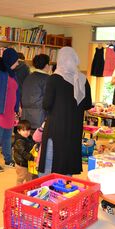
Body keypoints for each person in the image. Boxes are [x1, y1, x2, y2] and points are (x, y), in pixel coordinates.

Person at [38, 47, 92, 176]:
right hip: (74, 129)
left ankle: (45, 192)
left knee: (50, 164)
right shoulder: (82, 80)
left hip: (56, 128)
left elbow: (46, 104)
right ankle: (65, 193)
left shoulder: (54, 79)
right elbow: (87, 104)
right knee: (67, 163)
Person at [21, 53, 50, 130]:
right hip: (39, 115)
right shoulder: (47, 79)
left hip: (25, 115)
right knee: (38, 140)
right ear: (47, 65)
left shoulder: (28, 77)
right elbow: (48, 99)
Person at [13, 120, 35, 184]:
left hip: (28, 163)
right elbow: (23, 152)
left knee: (29, 178)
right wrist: (32, 157)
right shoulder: (19, 141)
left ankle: (28, 190)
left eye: (28, 130)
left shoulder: (29, 138)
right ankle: (18, 190)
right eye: (23, 130)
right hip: (21, 165)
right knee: (21, 178)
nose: (26, 132)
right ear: (18, 131)